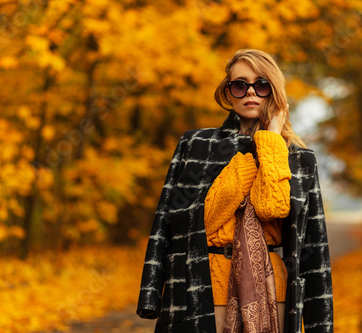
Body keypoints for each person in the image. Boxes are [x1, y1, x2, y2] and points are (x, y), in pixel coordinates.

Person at [137, 49, 333, 333]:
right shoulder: (197, 145)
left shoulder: (299, 160)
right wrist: (151, 293)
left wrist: (270, 142)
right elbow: (178, 224)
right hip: (203, 286)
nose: (251, 92)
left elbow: (285, 220)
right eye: (240, 85)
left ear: (274, 92)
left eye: (262, 84)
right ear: (228, 93)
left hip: (272, 292)